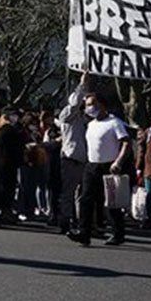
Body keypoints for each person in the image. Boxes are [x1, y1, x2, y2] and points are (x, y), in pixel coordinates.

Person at [67, 91, 131, 247]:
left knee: (111, 201)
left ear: (102, 104)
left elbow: (126, 142)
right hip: (92, 165)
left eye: (92, 104)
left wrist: (118, 162)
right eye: (87, 105)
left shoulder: (114, 122)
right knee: (86, 199)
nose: (89, 108)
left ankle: (118, 233)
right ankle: (84, 233)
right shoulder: (91, 124)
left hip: (109, 166)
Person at [54, 74, 91, 234]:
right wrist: (82, 85)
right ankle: (65, 220)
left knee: (81, 195)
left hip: (83, 160)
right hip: (71, 159)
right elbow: (75, 103)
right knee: (68, 193)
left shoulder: (83, 119)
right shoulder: (67, 116)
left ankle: (79, 221)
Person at [0, 108, 25, 224]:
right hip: (8, 162)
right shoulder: (7, 130)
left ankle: (6, 212)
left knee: (9, 188)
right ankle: (5, 212)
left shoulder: (8, 129)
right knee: (7, 188)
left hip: (8, 162)